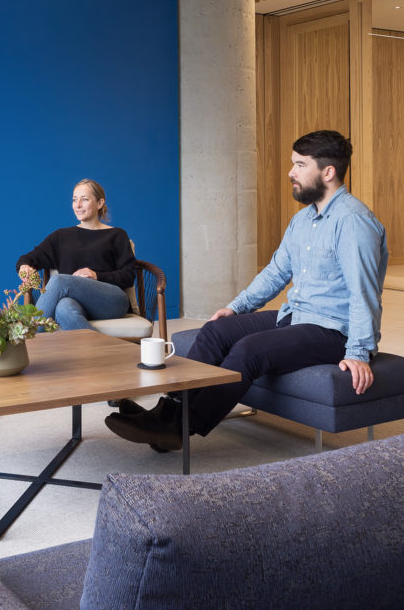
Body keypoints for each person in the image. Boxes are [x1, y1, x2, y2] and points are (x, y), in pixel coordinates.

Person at [105, 130, 388, 451]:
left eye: (300, 165)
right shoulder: (304, 220)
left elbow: (363, 292)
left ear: (327, 172)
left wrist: (358, 352)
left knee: (249, 350)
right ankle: (168, 413)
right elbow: (277, 271)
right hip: (296, 316)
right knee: (214, 332)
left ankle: (182, 428)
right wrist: (237, 308)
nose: (290, 172)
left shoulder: (353, 221)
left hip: (333, 330)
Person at [16, 179, 135, 330]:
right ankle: (100, 352)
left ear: (99, 203)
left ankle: (28, 339)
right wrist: (24, 266)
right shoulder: (61, 236)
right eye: (74, 200)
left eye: (84, 199)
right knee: (63, 308)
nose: (77, 205)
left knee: (59, 281)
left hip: (112, 301)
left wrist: (96, 275)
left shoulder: (116, 234)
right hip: (77, 303)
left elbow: (129, 276)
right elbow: (28, 258)